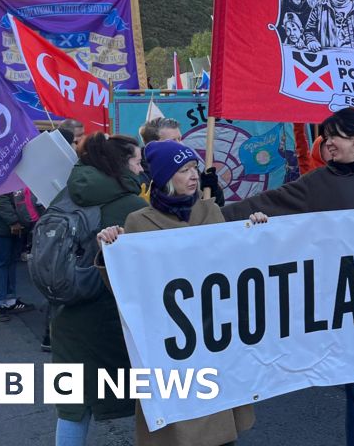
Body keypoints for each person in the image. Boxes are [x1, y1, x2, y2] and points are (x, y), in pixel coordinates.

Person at [222, 107, 354, 446]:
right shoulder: (320, 183)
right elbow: (266, 202)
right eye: (323, 135)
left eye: (332, 136)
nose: (325, 143)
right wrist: (201, 218)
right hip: (353, 305)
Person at [96, 140, 257, 446]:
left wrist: (255, 233)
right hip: (172, 343)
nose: (193, 175)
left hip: (214, 336)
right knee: (182, 429)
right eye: (183, 169)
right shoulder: (138, 222)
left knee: (221, 429)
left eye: (194, 167)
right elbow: (126, 286)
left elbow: (237, 265)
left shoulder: (211, 210)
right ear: (166, 177)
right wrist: (111, 250)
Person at [52, 133, 147, 446]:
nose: (140, 167)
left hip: (68, 314)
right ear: (120, 165)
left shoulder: (65, 194)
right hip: (113, 319)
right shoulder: (132, 206)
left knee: (73, 408)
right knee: (152, 399)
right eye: (136, 161)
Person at [138, 117, 224, 207]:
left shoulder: (186, 163)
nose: (181, 144)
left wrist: (211, 189)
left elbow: (216, 206)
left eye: (180, 139)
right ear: (153, 145)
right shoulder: (140, 173)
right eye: (173, 141)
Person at [0, 188, 36, 322]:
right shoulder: (0, 171)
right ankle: (0, 304)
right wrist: (14, 221)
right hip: (0, 226)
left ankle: (10, 301)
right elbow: (0, 199)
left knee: (10, 262)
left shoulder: (5, 170)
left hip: (7, 224)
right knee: (0, 264)